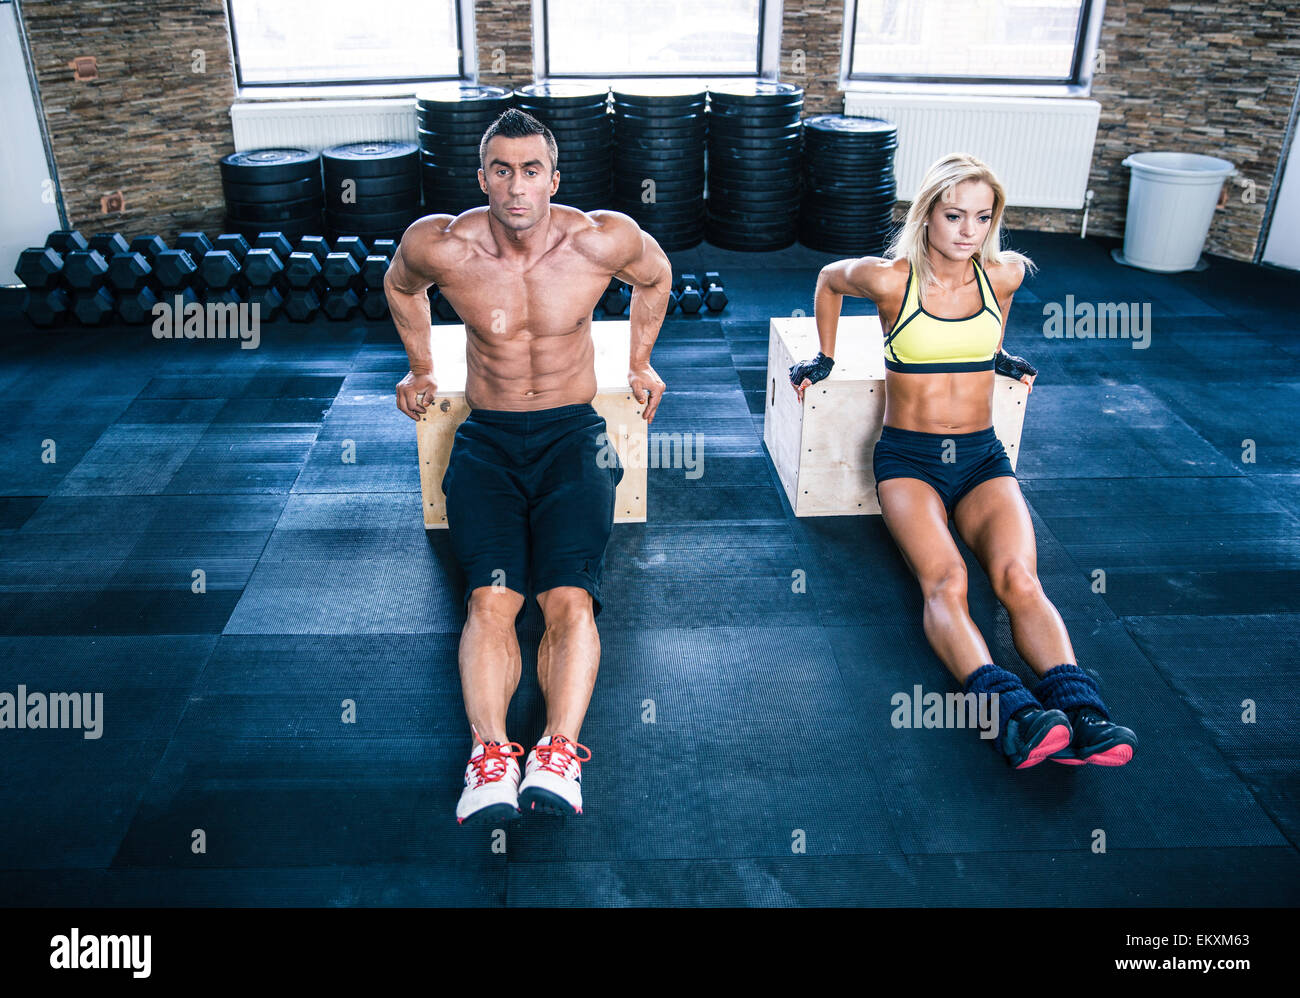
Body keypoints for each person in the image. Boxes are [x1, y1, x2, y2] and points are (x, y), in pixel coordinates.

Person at [790, 152, 1136, 769]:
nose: (967, 231)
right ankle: (1013, 713)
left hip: (982, 455)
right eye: (954, 216)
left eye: (981, 217)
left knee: (1018, 580)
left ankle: (1085, 711)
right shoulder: (890, 278)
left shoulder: (1002, 275)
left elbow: (993, 322)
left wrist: (996, 354)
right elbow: (825, 278)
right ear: (927, 216)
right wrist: (826, 357)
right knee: (948, 582)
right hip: (909, 460)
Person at [385, 108, 673, 822]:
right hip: (487, 438)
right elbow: (400, 285)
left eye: (532, 169)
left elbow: (657, 275)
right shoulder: (442, 246)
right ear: (482, 177)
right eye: (502, 170)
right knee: (492, 600)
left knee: (567, 599)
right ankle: (489, 756)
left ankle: (556, 753)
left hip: (575, 436)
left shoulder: (601, 239)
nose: (517, 186)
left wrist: (640, 361)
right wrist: (420, 367)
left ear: (554, 176)